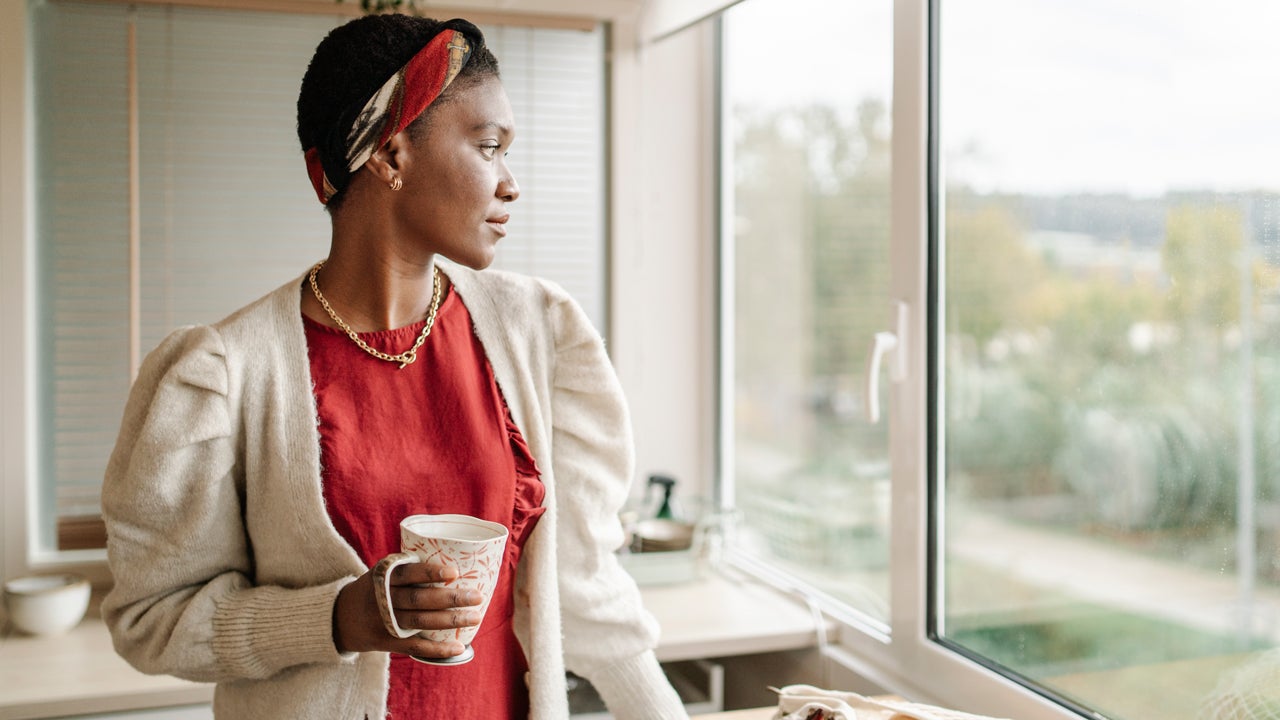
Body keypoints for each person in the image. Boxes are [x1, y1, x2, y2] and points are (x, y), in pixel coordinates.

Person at [100, 14, 689, 720]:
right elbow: (153, 619)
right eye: (490, 147)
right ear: (391, 155)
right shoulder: (224, 373)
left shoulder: (539, 332)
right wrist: (342, 617)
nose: (511, 185)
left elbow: (584, 589)